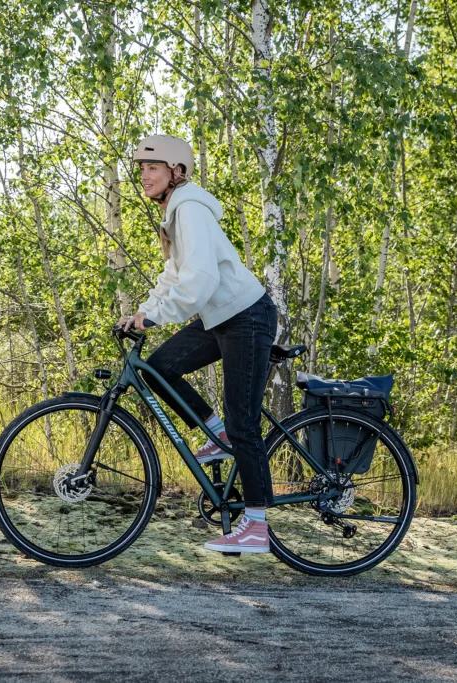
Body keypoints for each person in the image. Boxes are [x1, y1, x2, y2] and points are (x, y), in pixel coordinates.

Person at [117, 134, 278, 554]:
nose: (144, 176)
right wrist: (142, 312)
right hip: (221, 317)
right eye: (141, 169)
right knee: (158, 368)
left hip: (246, 316)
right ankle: (216, 432)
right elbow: (175, 275)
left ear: (177, 172)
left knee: (244, 421)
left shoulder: (189, 208)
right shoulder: (177, 210)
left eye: (152, 168)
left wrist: (158, 315)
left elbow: (200, 279)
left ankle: (257, 525)